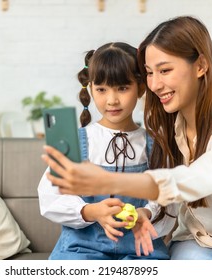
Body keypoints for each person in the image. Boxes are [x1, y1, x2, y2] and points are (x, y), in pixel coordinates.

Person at [41, 16, 212, 260]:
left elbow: (194, 181)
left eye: (164, 70)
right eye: (150, 73)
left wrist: (111, 184)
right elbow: (51, 196)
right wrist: (97, 210)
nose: (155, 84)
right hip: (192, 242)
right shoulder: (169, 129)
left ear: (200, 66)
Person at [38, 42, 178, 260]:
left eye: (122, 88)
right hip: (81, 249)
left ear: (141, 87)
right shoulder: (76, 140)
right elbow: (50, 197)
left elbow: (169, 198)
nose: (111, 100)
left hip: (140, 250)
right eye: (101, 89)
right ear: (91, 88)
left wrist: (146, 213)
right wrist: (92, 212)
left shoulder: (154, 143)